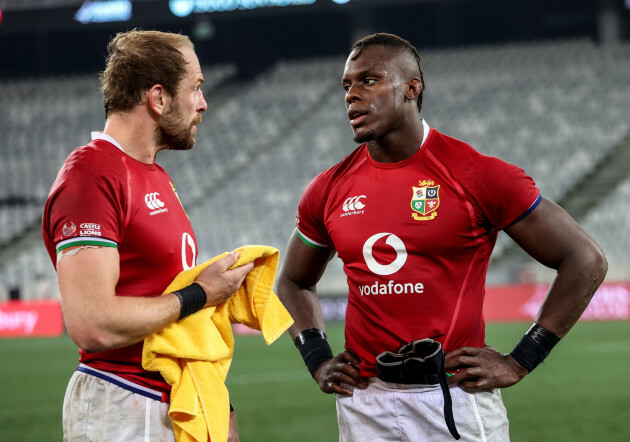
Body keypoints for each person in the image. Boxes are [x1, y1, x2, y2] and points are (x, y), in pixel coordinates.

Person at [276, 32, 608, 441]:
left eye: (370, 80)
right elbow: (292, 280)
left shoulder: (478, 175)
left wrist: (522, 359)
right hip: (362, 401)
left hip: (452, 398)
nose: (352, 95)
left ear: (412, 88)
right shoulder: (327, 189)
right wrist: (316, 356)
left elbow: (586, 260)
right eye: (347, 85)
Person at [42, 30, 253, 441]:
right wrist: (201, 294)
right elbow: (92, 324)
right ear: (157, 98)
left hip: (168, 398)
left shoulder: (153, 174)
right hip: (120, 404)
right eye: (195, 88)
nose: (203, 104)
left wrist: (216, 403)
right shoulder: (92, 174)